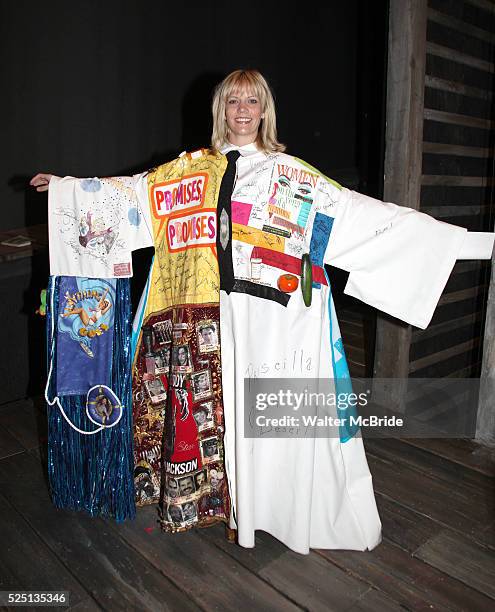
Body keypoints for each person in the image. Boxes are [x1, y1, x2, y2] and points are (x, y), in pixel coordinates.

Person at [31, 69, 494, 555]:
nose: (244, 110)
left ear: (265, 109)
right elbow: (134, 195)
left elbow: (358, 216)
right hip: (212, 317)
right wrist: (68, 190)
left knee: (268, 421)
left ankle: (271, 509)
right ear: (221, 110)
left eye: (253, 101)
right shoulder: (190, 169)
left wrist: (465, 244)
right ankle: (229, 506)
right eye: (234, 102)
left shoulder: (289, 172)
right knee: (223, 412)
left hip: (275, 324)